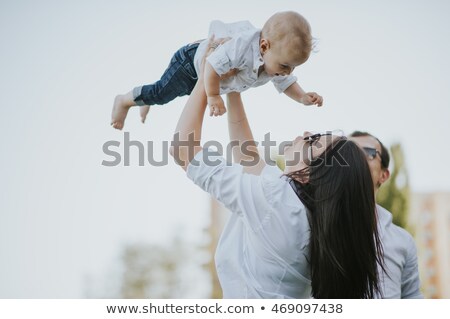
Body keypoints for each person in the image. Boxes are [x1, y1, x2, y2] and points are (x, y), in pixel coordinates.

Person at [170, 45, 385, 298]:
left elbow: (183, 150)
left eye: (313, 140)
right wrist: (234, 87)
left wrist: (208, 72)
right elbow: (247, 158)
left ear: (310, 175)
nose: (305, 133)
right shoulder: (304, 214)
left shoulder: (278, 201)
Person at [111, 11, 323, 130]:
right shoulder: (241, 47)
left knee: (164, 94)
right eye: (286, 65)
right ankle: (124, 100)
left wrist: (303, 97)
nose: (288, 71)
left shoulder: (275, 62)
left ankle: (147, 100)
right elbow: (211, 65)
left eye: (293, 66)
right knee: (161, 93)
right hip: (191, 65)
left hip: (206, 76)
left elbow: (287, 83)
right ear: (264, 46)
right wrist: (213, 97)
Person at [349, 131, 423, 298]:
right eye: (349, 151)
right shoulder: (311, 224)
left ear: (384, 175)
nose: (355, 158)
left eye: (367, 153)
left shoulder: (403, 241)